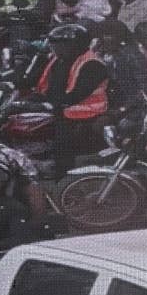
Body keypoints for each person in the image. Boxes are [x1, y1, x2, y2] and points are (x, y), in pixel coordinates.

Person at [32, 24, 109, 179]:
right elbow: (46, 84)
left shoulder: (92, 64)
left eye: (61, 45)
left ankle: (62, 172)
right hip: (66, 105)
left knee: (62, 134)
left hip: (86, 110)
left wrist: (47, 104)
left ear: (76, 45)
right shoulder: (59, 60)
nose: (56, 49)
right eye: (55, 45)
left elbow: (76, 95)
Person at [97, 19, 147, 111]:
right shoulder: (98, 53)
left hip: (129, 105)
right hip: (104, 102)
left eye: (111, 35)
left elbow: (144, 88)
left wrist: (122, 109)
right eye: (105, 35)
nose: (107, 38)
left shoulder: (132, 56)